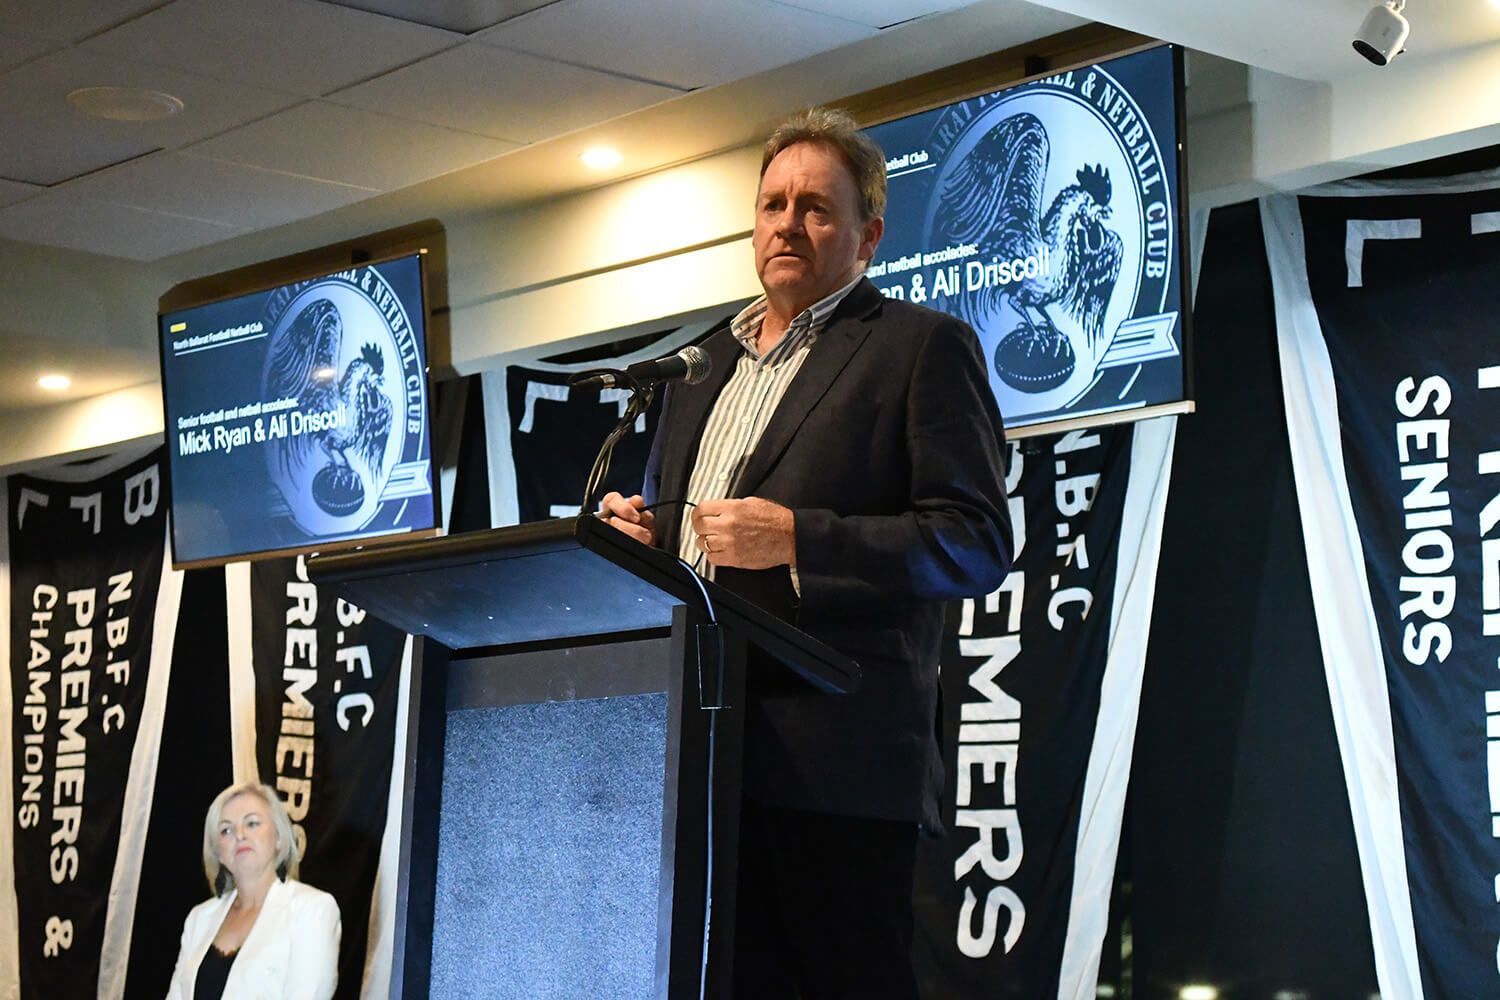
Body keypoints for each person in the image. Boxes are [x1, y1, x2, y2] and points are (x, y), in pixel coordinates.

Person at [600, 107, 1012, 997]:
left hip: (835, 774)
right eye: (773, 205)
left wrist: (797, 539)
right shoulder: (701, 365)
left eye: (816, 208)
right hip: (696, 757)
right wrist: (643, 544)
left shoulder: (920, 348)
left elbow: (974, 542)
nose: (788, 223)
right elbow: (689, 547)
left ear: (868, 237)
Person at [166, 782, 341, 1000]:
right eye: (226, 830)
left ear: (279, 838)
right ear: (218, 852)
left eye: (252, 823)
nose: (239, 835)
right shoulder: (199, 918)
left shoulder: (313, 910)